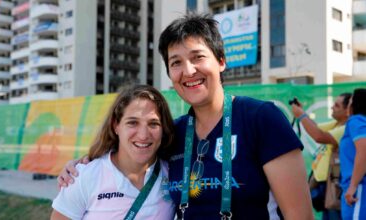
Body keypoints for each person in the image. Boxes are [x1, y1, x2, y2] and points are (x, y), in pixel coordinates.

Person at [58, 14, 313, 219]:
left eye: (197, 57)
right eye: (176, 62)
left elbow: (299, 215)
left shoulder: (261, 118)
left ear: (221, 61)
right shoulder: (174, 133)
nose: (188, 71)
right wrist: (83, 165)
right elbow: (130, 153)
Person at [51, 85, 175, 219]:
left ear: (164, 128)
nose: (143, 135)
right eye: (133, 123)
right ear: (116, 125)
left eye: (153, 124)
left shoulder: (174, 174)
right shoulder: (84, 176)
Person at [291, 93, 351, 219]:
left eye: (337, 105)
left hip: (335, 187)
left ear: (348, 110)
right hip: (325, 185)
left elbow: (319, 136)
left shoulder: (346, 128)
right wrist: (303, 113)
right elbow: (314, 127)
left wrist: (300, 115)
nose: (332, 107)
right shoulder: (336, 124)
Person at [339, 88, 366, 220]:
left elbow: (364, 150)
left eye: (350, 102)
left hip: (359, 189)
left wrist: (353, 185)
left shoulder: (356, 120)